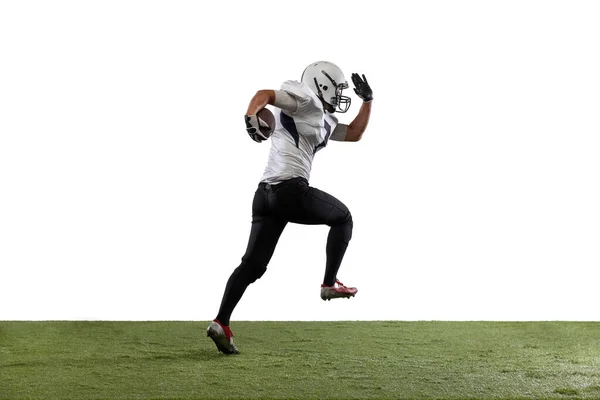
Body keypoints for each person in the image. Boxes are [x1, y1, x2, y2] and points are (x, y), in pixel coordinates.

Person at [207, 61, 373, 354]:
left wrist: (368, 102)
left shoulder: (323, 118)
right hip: (290, 191)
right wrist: (251, 114)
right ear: (321, 85)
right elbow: (265, 94)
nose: (339, 96)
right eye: (337, 89)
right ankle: (328, 283)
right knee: (343, 218)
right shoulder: (304, 99)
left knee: (253, 266)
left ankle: (221, 322)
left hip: (266, 196)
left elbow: (355, 133)